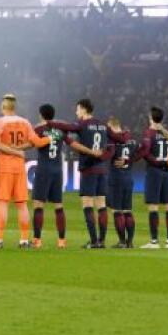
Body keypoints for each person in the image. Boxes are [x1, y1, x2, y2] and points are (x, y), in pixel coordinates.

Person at [0, 93, 46, 248]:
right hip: (20, 166)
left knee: (3, 203)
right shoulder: (25, 122)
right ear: (15, 107)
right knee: (22, 204)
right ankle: (24, 240)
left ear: (2, 106)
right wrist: (49, 139)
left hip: (5, 167)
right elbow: (36, 142)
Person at [59, 99, 114, 248]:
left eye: (77, 109)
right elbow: (113, 143)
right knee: (101, 204)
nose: (76, 113)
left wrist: (54, 126)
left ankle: (94, 241)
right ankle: (102, 241)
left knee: (87, 204)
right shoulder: (102, 125)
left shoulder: (83, 124)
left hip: (89, 168)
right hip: (102, 168)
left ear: (83, 109)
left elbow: (67, 128)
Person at [27, 103, 73, 249]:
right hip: (57, 170)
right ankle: (61, 240)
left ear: (41, 114)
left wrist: (13, 148)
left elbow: (30, 144)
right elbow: (71, 143)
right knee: (58, 205)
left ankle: (37, 240)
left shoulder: (39, 129)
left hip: (43, 169)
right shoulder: (60, 130)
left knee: (38, 204)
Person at [139, 107, 168, 249]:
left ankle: (154, 241)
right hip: (167, 172)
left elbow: (146, 152)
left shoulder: (149, 133)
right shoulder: (167, 134)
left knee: (153, 206)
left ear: (150, 118)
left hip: (154, 171)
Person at [106, 118, 139, 249]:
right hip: (128, 178)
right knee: (128, 211)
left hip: (116, 178)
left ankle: (121, 241)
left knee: (117, 211)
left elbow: (109, 154)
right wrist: (128, 161)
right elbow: (138, 154)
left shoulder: (113, 141)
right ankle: (130, 242)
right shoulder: (131, 140)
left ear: (113, 126)